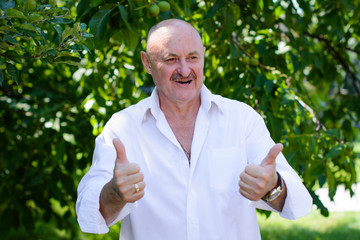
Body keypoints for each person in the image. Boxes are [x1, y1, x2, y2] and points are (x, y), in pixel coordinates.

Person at [76, 18, 312, 240]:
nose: (185, 69)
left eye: (192, 57)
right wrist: (115, 193)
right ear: (147, 63)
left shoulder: (242, 119)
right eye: (171, 59)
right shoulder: (123, 127)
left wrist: (273, 186)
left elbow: (298, 202)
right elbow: (89, 215)